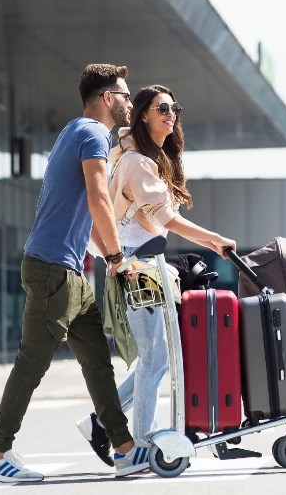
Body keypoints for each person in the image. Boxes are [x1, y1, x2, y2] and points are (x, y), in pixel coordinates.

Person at [0, 64, 147, 483]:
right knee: (32, 363)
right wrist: (115, 259)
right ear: (107, 98)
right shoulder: (91, 135)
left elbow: (83, 213)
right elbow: (98, 200)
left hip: (70, 272)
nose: (128, 101)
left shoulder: (74, 131)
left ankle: (125, 449)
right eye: (124, 95)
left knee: (96, 361)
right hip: (54, 270)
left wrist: (105, 255)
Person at [76, 84, 237, 466]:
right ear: (144, 114)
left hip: (142, 263)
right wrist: (214, 240)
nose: (170, 113)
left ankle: (102, 422)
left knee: (158, 357)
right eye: (161, 107)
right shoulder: (137, 163)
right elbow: (167, 219)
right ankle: (138, 444)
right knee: (155, 358)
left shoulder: (145, 156)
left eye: (174, 107)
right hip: (136, 264)